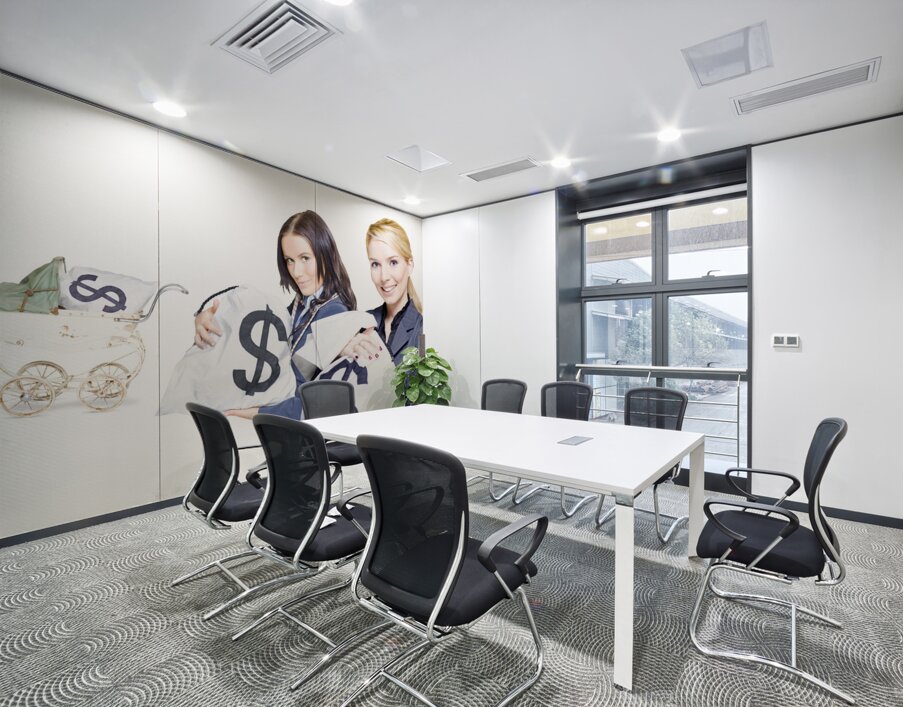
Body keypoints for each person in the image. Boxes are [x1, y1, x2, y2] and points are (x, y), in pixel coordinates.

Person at [193, 210, 357, 419]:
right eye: (289, 260)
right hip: (293, 434)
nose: (296, 271)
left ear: (326, 254)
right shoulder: (301, 307)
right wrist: (208, 320)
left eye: (305, 258)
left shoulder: (333, 314)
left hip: (311, 441)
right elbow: (256, 346)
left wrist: (254, 411)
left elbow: (307, 401)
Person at [341, 218, 423, 366]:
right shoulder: (362, 323)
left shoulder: (423, 328)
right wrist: (342, 355)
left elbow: (426, 383)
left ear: (410, 265)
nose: (383, 277)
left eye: (393, 262)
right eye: (375, 264)